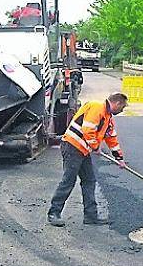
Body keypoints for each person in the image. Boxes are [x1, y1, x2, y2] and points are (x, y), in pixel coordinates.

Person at [47, 92, 128, 227]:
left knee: (89, 180)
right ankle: (53, 213)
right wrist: (95, 146)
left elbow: (111, 138)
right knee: (68, 180)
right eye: (122, 107)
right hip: (72, 147)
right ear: (117, 103)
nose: (122, 110)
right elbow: (88, 130)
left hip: (83, 150)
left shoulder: (108, 118)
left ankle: (90, 216)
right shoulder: (97, 107)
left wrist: (119, 158)